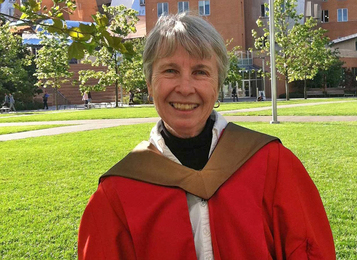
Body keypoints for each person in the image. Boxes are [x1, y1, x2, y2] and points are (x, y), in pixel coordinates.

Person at [78, 13, 335, 260]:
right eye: (170, 71)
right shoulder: (117, 192)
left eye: (200, 72)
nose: (185, 88)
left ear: (218, 84)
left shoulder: (272, 164)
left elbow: (310, 251)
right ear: (149, 84)